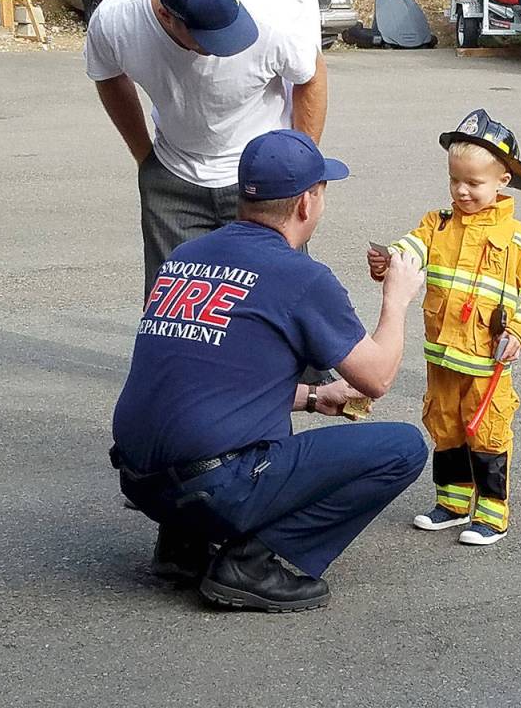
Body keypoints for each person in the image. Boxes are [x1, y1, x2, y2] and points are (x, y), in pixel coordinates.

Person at [110, 129, 429, 612]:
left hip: (141, 481)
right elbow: (377, 377)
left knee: (200, 405)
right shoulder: (300, 276)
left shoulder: (184, 257)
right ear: (306, 202)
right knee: (400, 448)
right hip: (214, 485)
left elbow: (209, 378)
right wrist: (397, 299)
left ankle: (183, 545)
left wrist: (313, 397)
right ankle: (250, 564)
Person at [84, 0, 322, 300]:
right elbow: (107, 75)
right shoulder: (116, 20)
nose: (223, 45)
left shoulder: (269, 17)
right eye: (208, 38)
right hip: (173, 177)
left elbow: (311, 76)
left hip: (260, 180)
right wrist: (146, 158)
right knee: (176, 309)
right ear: (166, 15)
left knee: (278, 301)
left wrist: (301, 166)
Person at [367, 110, 521, 546]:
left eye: (473, 183)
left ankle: (492, 513)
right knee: (445, 425)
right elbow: (408, 250)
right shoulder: (436, 224)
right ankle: (452, 502)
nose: (461, 191)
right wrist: (388, 260)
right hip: (442, 355)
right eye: (455, 180)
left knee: (487, 430)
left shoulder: (519, 239)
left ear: (503, 181)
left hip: (487, 362)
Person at [157, 0, 327, 142]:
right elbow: (161, 37)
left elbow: (310, 60)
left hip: (273, 145)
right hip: (192, 148)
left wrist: (304, 155)